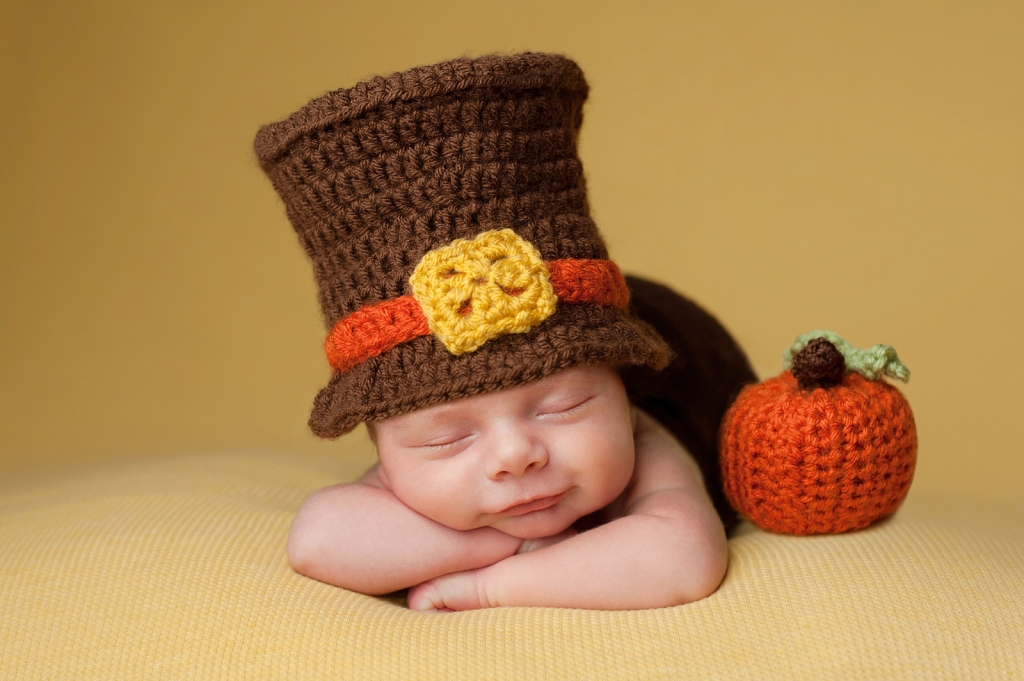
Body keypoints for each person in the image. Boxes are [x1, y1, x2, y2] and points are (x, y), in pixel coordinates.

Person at [254, 53, 756, 611]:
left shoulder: (644, 439)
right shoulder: (415, 448)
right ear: (379, 442)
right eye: (448, 439)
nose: (515, 456)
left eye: (563, 406)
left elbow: (682, 558)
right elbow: (319, 541)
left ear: (619, 384)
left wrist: (487, 584)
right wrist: (519, 538)